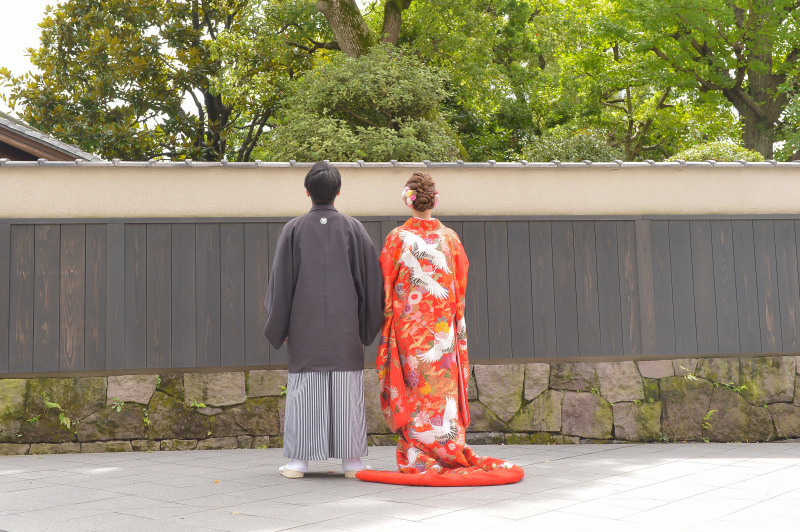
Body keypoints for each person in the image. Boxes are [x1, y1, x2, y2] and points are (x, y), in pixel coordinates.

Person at [372, 172, 519, 483]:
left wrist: (391, 317)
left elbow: (384, 284)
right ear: (434, 200)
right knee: (443, 389)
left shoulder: (397, 238)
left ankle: (417, 450)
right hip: (444, 331)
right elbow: (460, 284)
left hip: (410, 333)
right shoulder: (450, 239)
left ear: (407, 200)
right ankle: (449, 447)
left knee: (415, 389)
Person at [263, 161, 384, 479]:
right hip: (345, 326)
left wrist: (280, 325)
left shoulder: (293, 230)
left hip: (304, 326)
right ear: (338, 192)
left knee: (304, 390)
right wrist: (365, 324)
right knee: (347, 391)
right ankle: (352, 462)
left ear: (307, 192)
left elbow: (281, 283)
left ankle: (298, 462)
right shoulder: (354, 228)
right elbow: (372, 282)